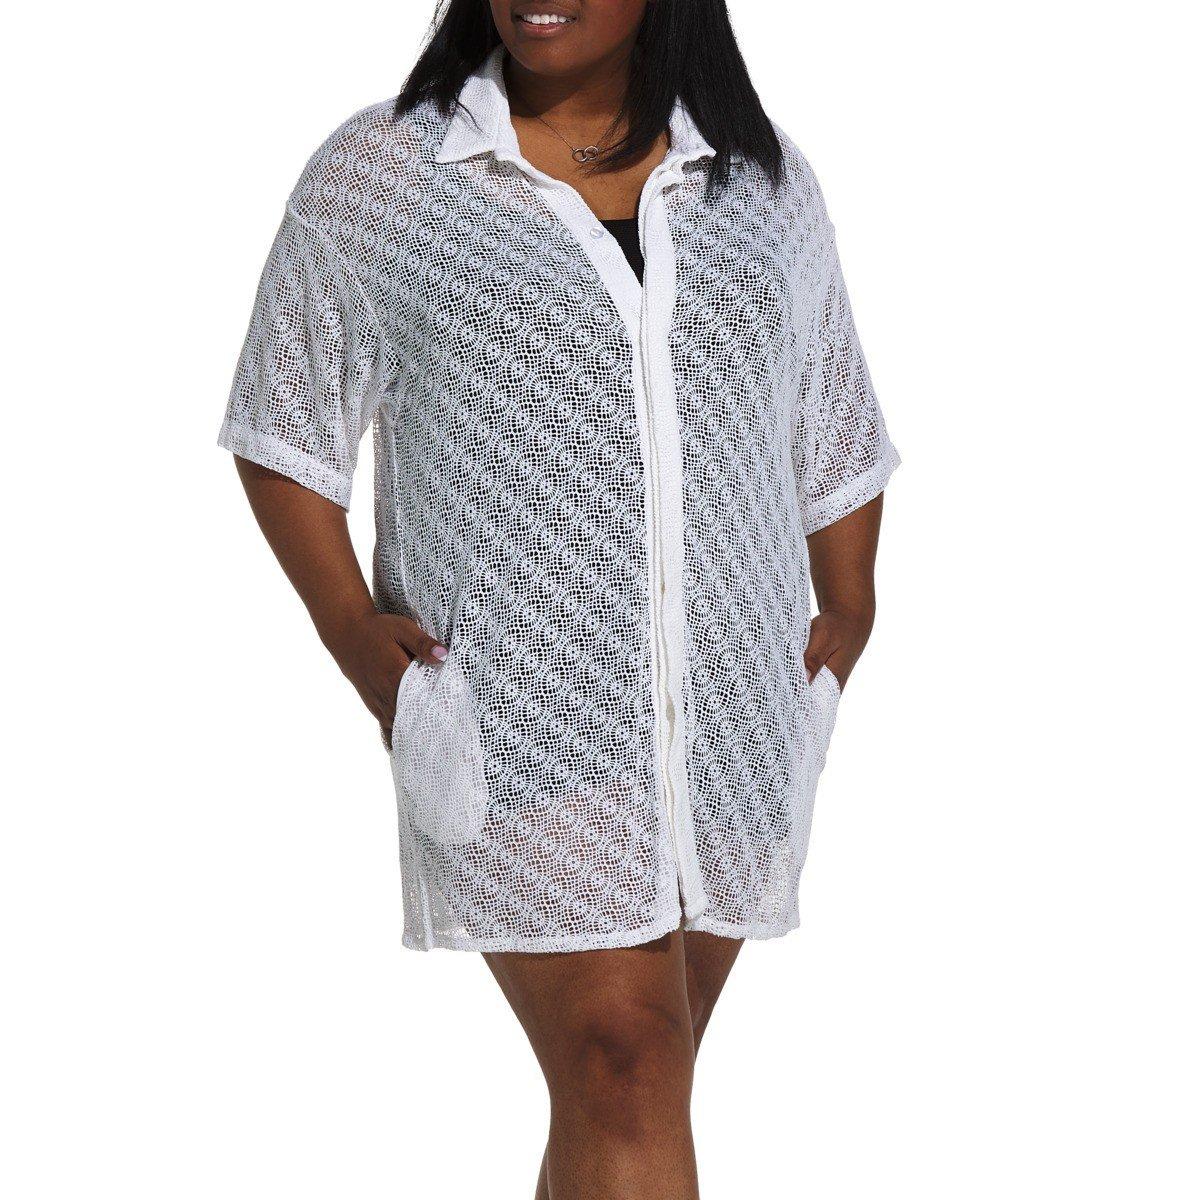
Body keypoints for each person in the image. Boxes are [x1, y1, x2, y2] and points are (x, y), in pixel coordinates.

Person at [218, 1, 900, 1195]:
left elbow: (832, 413)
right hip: (520, 719)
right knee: (624, 1064)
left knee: (629, 1085)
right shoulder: (388, 173)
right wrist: (351, 631)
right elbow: (284, 424)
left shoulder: (761, 181)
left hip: (735, 724)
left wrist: (850, 607)